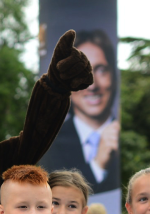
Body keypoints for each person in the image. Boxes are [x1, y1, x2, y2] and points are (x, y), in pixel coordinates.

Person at [38, 30, 120, 196]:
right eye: (80, 73)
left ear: (113, 76)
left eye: (101, 70)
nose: (92, 85)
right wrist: (97, 165)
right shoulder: (49, 143)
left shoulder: (127, 138)